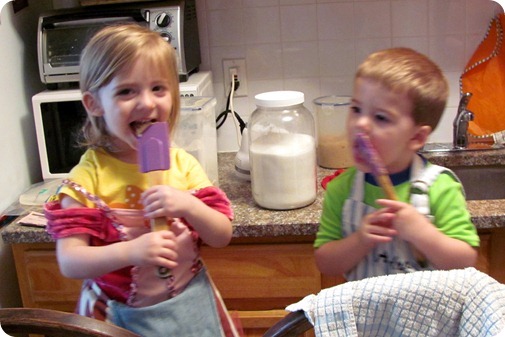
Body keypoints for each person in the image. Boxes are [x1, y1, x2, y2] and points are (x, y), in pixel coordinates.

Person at [44, 24, 241, 337]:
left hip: (189, 307)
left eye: (158, 89)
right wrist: (131, 251)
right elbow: (70, 262)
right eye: (126, 91)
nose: (147, 103)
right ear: (94, 103)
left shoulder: (183, 165)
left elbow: (222, 236)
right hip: (115, 315)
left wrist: (189, 205)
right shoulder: (89, 177)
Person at [314, 47, 480, 281]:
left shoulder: (440, 187)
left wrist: (421, 233)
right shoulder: (342, 189)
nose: (360, 124)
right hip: (367, 315)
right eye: (356, 109)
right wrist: (360, 240)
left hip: (425, 315)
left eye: (380, 117)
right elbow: (325, 263)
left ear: (416, 138)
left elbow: (465, 262)